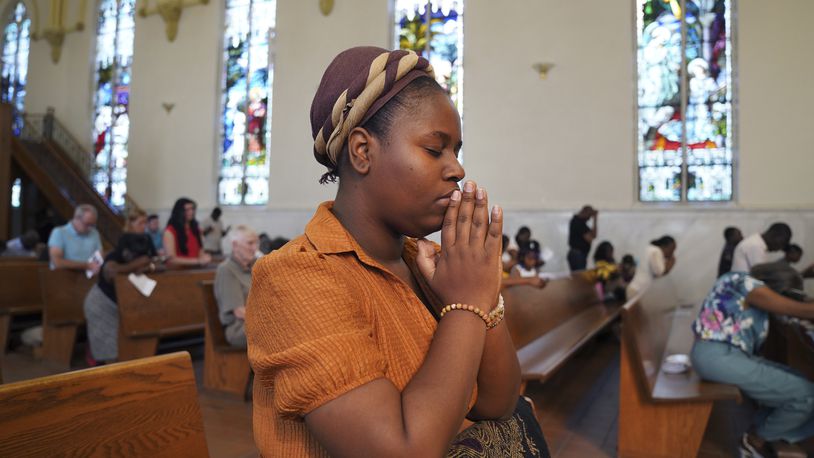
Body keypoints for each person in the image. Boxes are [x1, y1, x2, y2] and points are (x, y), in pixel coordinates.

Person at [245, 47, 547, 457]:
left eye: (456, 151)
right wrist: (463, 305)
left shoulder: (421, 263)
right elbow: (402, 451)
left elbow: (497, 401)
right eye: (434, 149)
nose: (457, 169)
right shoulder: (295, 277)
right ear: (363, 152)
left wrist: (482, 300)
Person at [690, 262, 814, 457]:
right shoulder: (743, 281)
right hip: (717, 356)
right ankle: (756, 439)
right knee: (806, 394)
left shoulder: (753, 298)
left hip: (726, 356)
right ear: (777, 288)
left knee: (798, 380)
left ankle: (759, 434)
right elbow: (798, 309)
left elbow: (791, 313)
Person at [83, 211, 157, 364]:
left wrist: (147, 265)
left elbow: (148, 262)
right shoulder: (118, 251)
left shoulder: (144, 243)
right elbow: (111, 271)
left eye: (145, 223)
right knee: (108, 353)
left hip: (120, 304)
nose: (144, 227)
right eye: (140, 223)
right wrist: (136, 265)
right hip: (102, 303)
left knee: (118, 350)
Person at [214, 225, 259, 348]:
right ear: (234, 245)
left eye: (256, 243)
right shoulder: (226, 270)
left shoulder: (256, 266)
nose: (255, 248)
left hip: (258, 323)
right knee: (281, 331)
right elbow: (239, 312)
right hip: (239, 328)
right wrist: (269, 320)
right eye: (250, 243)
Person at [47, 204, 103, 274]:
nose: (90, 228)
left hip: (87, 278)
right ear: (76, 218)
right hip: (62, 276)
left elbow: (98, 258)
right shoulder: (59, 233)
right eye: (87, 224)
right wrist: (86, 265)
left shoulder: (94, 233)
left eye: (92, 225)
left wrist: (95, 266)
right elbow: (57, 262)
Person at [162, 198, 212, 267]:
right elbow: (171, 259)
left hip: (195, 270)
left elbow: (200, 252)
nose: (191, 212)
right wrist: (198, 261)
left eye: (192, 209)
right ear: (179, 212)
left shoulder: (196, 229)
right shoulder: (170, 231)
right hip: (176, 273)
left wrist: (205, 258)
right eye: (187, 210)